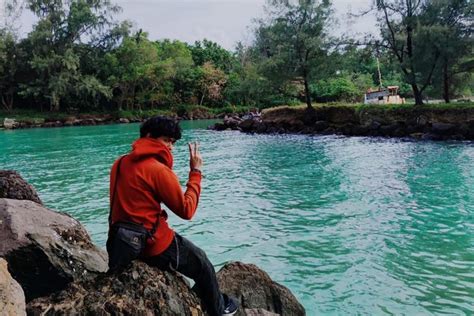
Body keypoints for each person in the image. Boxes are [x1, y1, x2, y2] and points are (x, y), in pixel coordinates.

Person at [108, 116, 238, 316]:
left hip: (121, 242)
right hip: (153, 244)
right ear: (150, 136)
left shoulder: (119, 163)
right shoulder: (158, 170)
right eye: (167, 140)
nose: (170, 147)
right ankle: (219, 311)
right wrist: (195, 172)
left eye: (173, 142)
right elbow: (187, 210)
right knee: (203, 264)